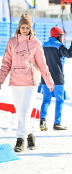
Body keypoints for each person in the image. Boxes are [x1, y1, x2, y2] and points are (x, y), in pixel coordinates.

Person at [0, 14, 54, 152]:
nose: (24, 30)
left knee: (24, 111)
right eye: (22, 27)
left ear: (31, 28)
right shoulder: (12, 42)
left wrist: (49, 81)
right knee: (20, 113)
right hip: (16, 81)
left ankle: (20, 140)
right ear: (19, 27)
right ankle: (30, 135)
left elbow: (42, 64)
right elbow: (6, 63)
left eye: (27, 27)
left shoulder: (36, 43)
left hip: (30, 82)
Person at [39, 27, 72, 131]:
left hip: (45, 78)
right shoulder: (59, 46)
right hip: (57, 78)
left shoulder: (43, 45)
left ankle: (42, 120)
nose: (63, 37)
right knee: (59, 100)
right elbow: (70, 54)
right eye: (62, 36)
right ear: (58, 36)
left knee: (46, 100)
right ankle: (57, 123)